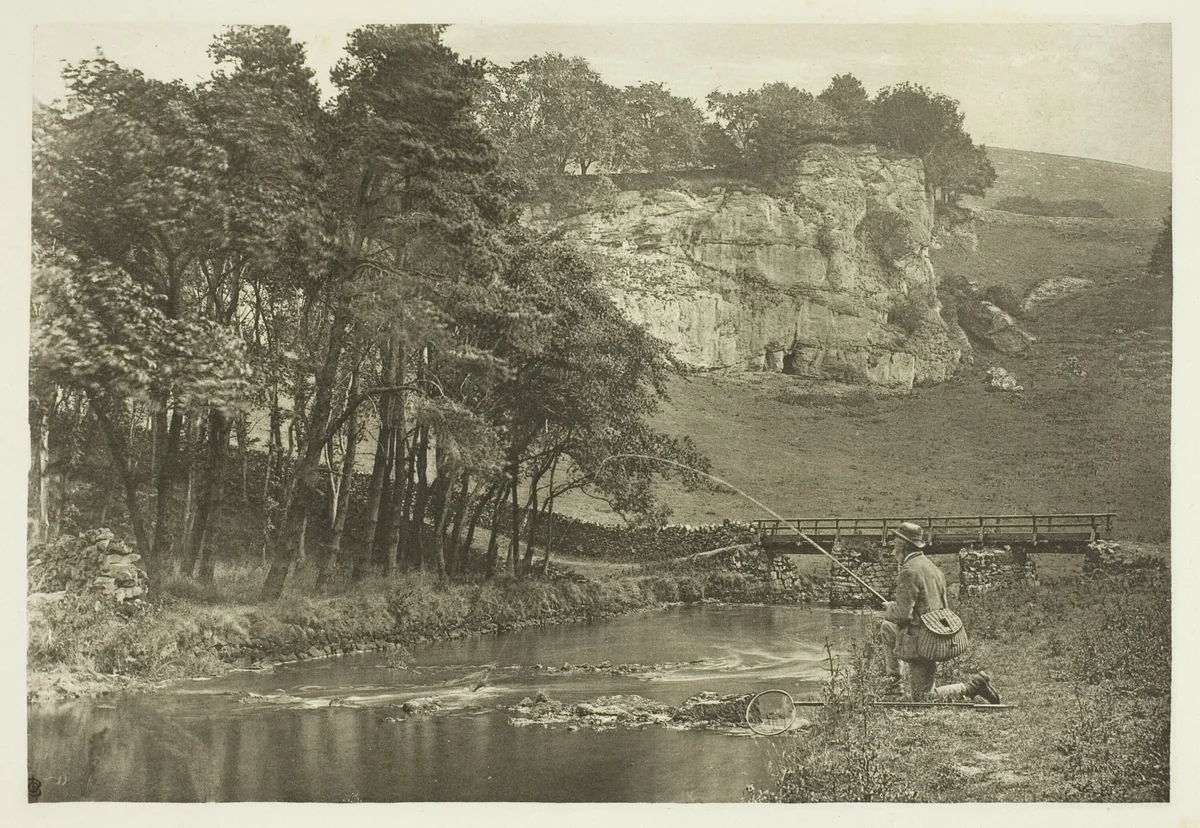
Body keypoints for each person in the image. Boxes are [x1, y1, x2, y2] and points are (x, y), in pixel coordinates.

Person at [879, 521, 1002, 704]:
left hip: (921, 643)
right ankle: (893, 687)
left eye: (895, 544)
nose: (892, 550)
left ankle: (973, 686)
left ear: (903, 546)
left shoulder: (909, 571)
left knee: (922, 699)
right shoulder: (933, 568)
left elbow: (902, 615)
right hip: (935, 636)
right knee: (887, 628)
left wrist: (890, 608)